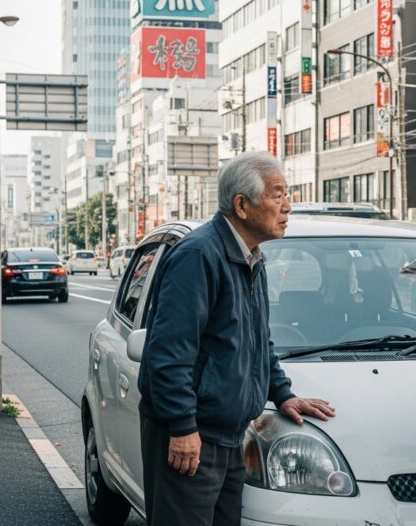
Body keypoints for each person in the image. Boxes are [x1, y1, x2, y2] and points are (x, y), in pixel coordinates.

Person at [137, 152, 336, 526]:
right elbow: (168, 353)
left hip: (228, 434)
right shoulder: (199, 255)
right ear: (242, 206)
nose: (287, 206)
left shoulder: (250, 257)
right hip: (193, 435)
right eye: (278, 195)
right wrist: (182, 426)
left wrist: (283, 393)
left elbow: (258, 340)